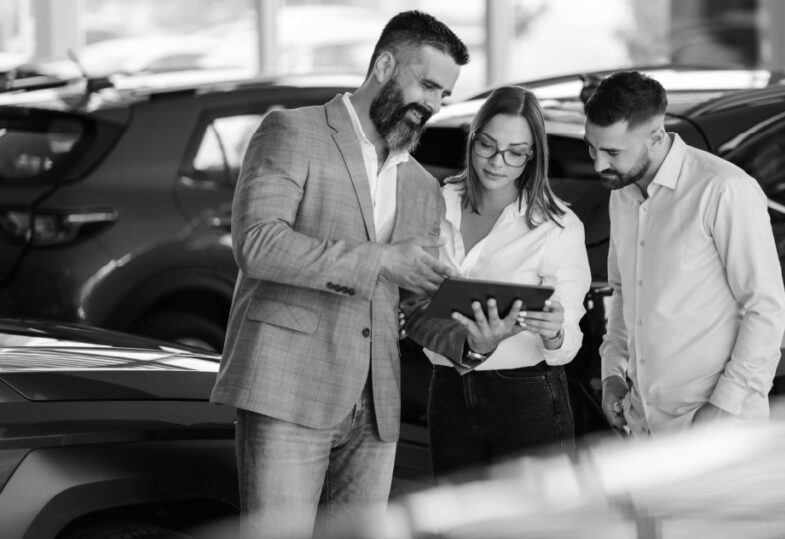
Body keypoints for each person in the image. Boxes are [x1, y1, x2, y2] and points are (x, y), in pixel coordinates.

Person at [209, 11, 468, 538]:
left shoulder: (420, 184)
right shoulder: (292, 130)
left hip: (378, 409)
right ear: (385, 65)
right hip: (288, 390)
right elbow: (258, 245)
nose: (436, 105)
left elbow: (413, 307)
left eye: (444, 94)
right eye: (429, 85)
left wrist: (473, 338)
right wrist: (381, 261)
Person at [583, 71, 785, 436]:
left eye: (613, 152)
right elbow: (624, 294)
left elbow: (766, 309)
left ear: (656, 137)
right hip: (642, 425)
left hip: (718, 428)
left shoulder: (724, 190)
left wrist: (724, 407)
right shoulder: (622, 193)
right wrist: (612, 371)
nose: (598, 164)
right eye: (592, 148)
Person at [402, 86, 591, 476]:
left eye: (515, 152)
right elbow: (410, 298)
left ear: (532, 155)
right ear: (472, 139)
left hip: (526, 397)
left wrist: (555, 331)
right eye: (487, 145)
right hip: (447, 388)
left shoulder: (557, 227)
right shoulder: (438, 203)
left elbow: (568, 343)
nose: (497, 162)